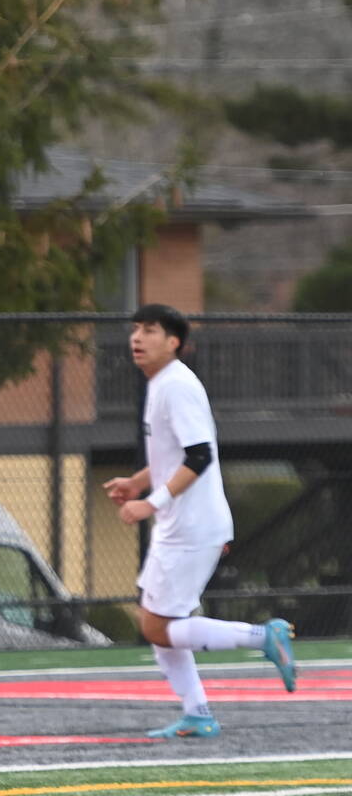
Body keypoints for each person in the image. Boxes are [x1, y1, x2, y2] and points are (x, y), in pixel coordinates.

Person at [105, 303, 294, 739]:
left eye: (149, 330)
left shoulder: (175, 386)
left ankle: (263, 637)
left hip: (192, 526)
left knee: (157, 625)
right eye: (134, 329)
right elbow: (177, 453)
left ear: (173, 342)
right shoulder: (161, 384)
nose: (137, 337)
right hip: (181, 525)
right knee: (155, 622)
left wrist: (149, 504)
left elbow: (200, 456)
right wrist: (137, 483)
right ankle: (198, 713)